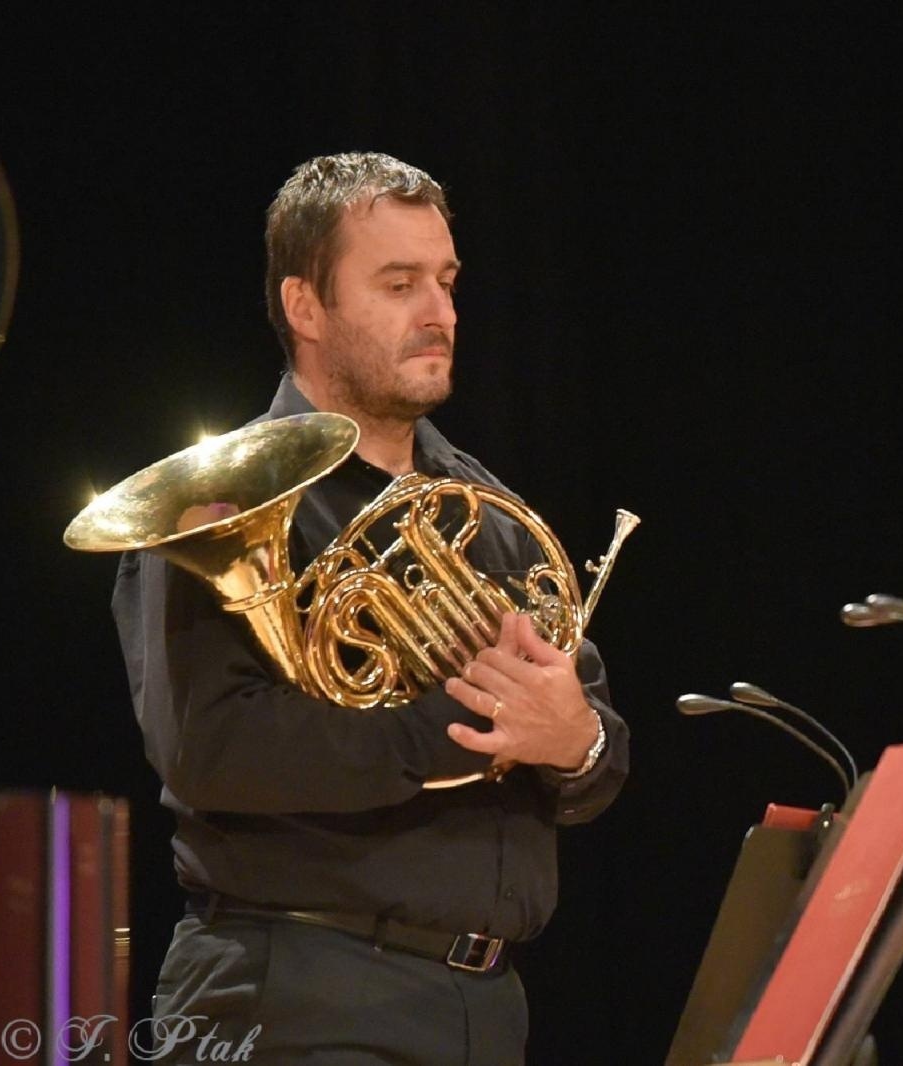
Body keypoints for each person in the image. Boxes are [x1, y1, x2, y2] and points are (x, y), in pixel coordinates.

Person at [112, 152, 627, 1063]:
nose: (441, 313)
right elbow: (211, 750)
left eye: (446, 281)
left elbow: (593, 743)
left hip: (486, 1005)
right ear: (305, 306)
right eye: (399, 284)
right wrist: (464, 724)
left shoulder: (485, 507)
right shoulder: (220, 502)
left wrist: (574, 739)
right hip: (300, 989)